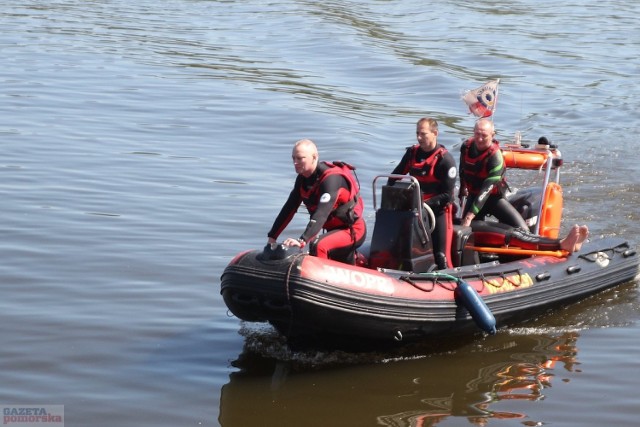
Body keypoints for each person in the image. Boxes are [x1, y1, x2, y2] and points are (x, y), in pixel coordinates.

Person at [267, 139, 366, 264]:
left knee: (318, 245)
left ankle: (325, 280)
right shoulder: (302, 180)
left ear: (314, 157)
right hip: (332, 232)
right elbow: (289, 209)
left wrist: (302, 240)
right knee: (318, 244)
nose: (295, 163)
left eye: (300, 158)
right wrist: (272, 237)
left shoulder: (331, 179)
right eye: (293, 158)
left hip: (352, 231)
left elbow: (321, 213)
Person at [388, 118, 457, 269]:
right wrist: (393, 200)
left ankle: (446, 277)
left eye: (423, 134)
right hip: (415, 210)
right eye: (417, 133)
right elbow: (393, 178)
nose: (419, 138)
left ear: (435, 133)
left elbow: (448, 196)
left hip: (437, 211)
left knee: (440, 255)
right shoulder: (412, 153)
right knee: (399, 247)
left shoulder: (446, 161)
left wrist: (424, 205)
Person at [459, 118, 528, 229]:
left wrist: (469, 217)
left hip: (493, 198)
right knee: (462, 231)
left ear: (492, 135)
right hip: (473, 195)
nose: (480, 139)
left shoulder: (495, 157)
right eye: (477, 134)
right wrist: (462, 189)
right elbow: (463, 170)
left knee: (523, 230)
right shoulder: (466, 147)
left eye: (484, 136)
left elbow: (486, 190)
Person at [472, 221, 589, 253]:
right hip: (459, 228)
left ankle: (563, 241)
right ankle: (561, 244)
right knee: (510, 236)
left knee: (513, 230)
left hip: (458, 223)